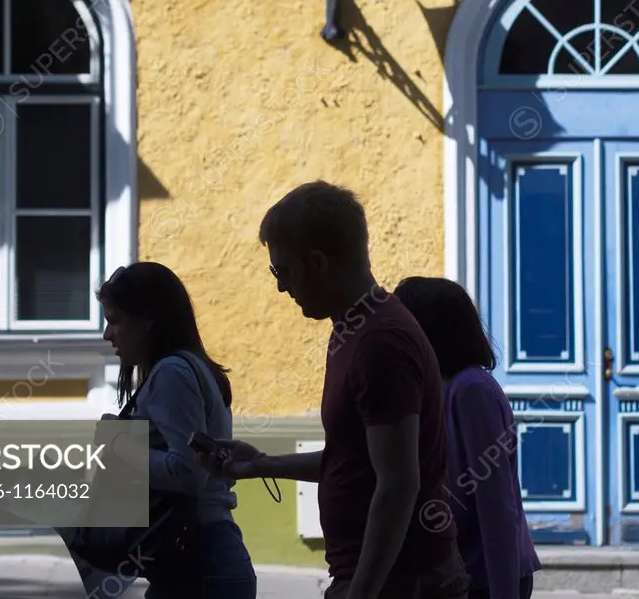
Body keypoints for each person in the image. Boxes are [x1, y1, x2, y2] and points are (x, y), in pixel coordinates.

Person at [198, 181, 469, 599]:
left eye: (281, 270)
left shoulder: (380, 343)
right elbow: (355, 460)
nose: (281, 287)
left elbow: (398, 484)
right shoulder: (354, 328)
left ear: (318, 263)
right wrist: (262, 464)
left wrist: (361, 592)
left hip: (400, 583)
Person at [97, 262, 257, 599]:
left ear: (148, 319)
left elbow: (187, 471)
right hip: (197, 560)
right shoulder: (183, 367)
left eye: (115, 320)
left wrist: (119, 445)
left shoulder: (171, 372)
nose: (107, 334)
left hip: (199, 563)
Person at [393, 277, 540, 599]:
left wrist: (504, 591)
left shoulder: (470, 390)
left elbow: (495, 501)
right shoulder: (439, 388)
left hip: (487, 576)